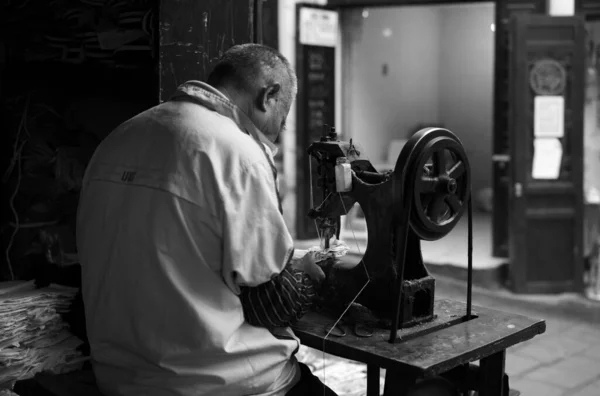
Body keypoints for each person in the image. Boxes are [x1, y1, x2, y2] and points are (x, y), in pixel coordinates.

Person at [76, 44, 337, 396]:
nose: (280, 130)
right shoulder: (236, 153)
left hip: (119, 379)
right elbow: (271, 305)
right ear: (269, 96)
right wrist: (303, 273)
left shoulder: (118, 138)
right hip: (215, 384)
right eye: (283, 118)